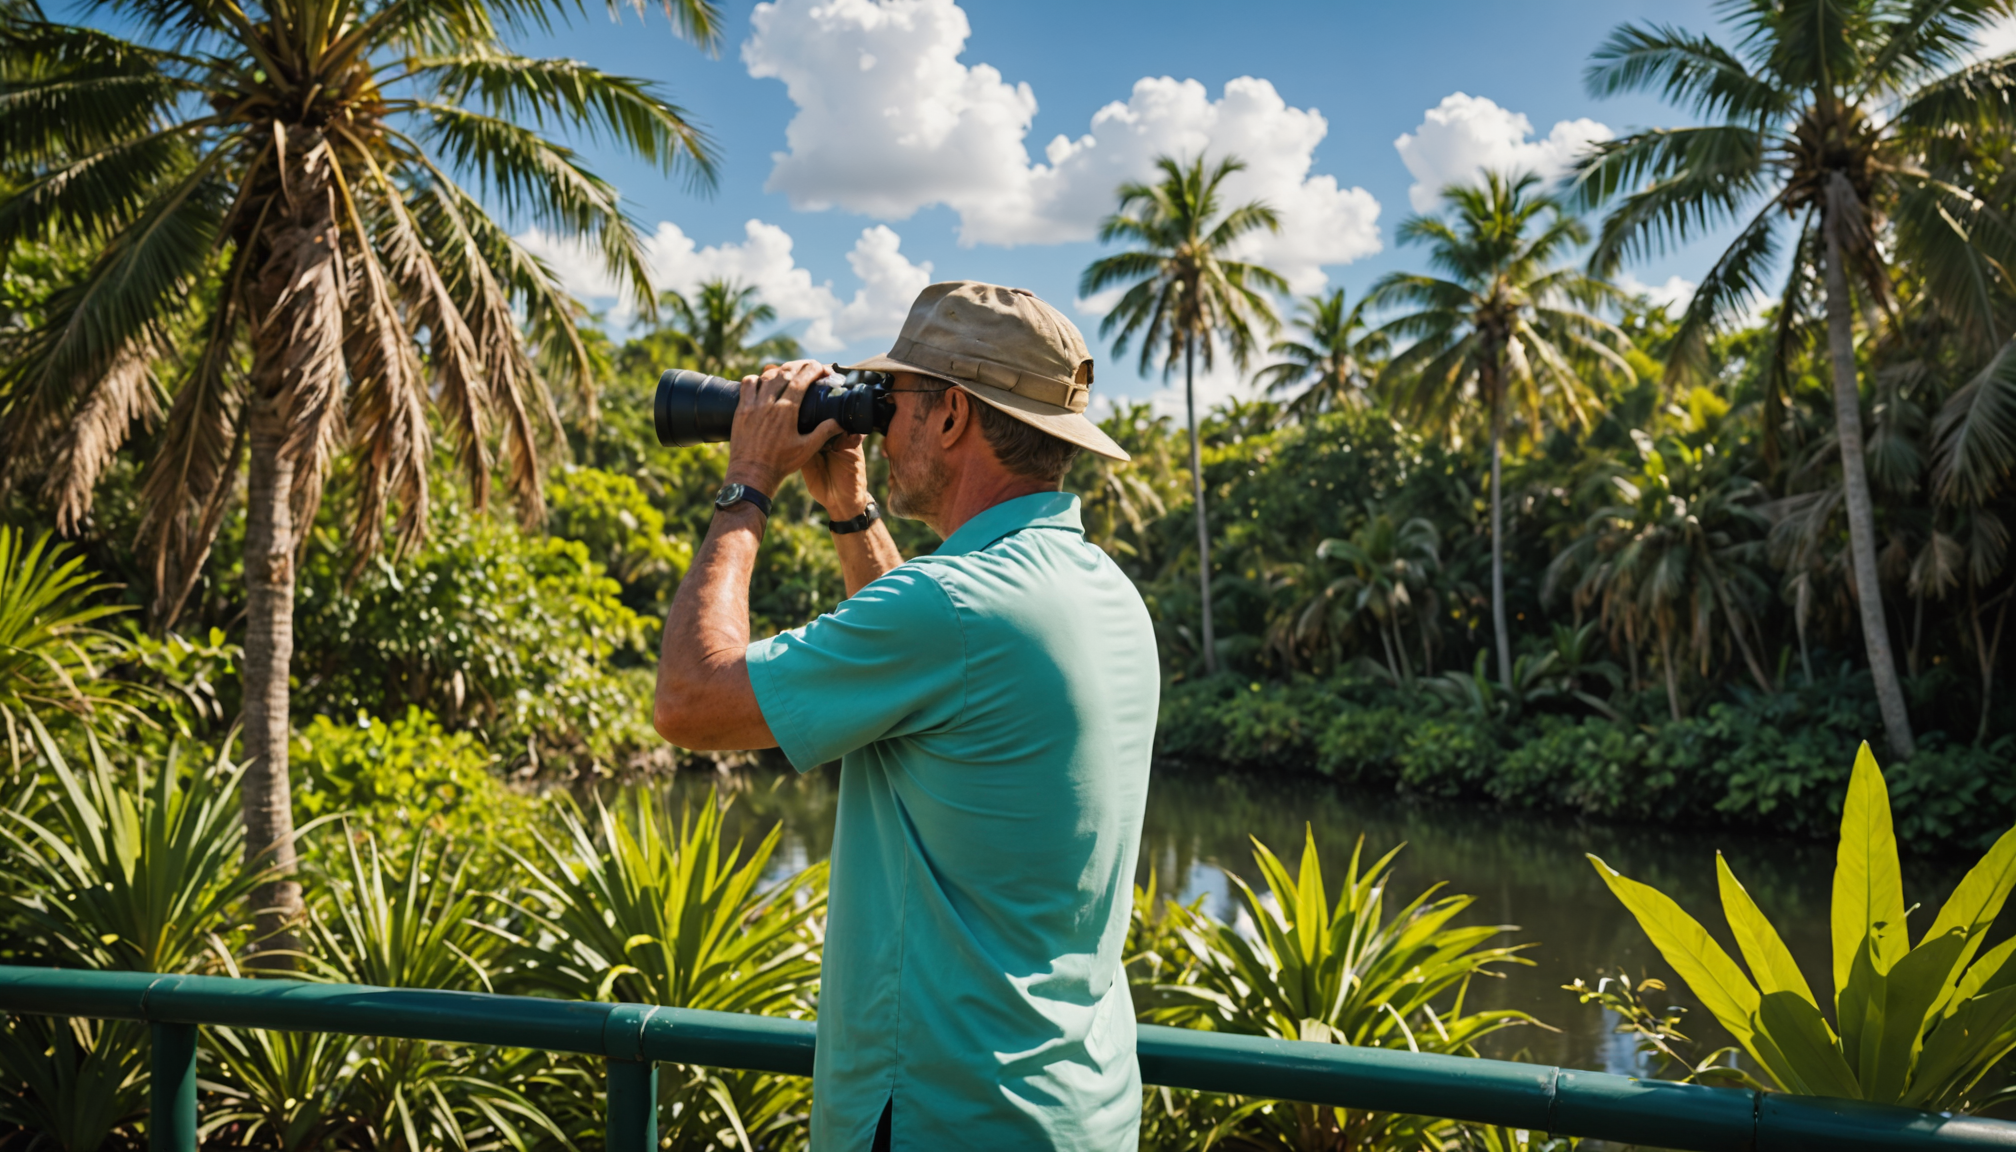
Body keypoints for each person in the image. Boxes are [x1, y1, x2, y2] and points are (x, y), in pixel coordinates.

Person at [651, 281, 1159, 1151]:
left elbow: (690, 701)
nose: (880, 424)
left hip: (945, 1113)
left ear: (952, 414)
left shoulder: (955, 605)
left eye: (894, 398)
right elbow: (932, 678)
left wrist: (749, 482)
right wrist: (850, 510)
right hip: (1076, 1107)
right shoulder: (1101, 588)